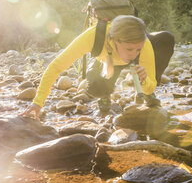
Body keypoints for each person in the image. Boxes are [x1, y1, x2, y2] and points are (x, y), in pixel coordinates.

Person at [22, 15, 175, 119]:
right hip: (106, 61)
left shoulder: (144, 45)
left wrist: (144, 80)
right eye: (130, 49)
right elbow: (56, 66)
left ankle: (143, 95)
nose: (134, 54)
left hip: (129, 61)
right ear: (114, 40)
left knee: (166, 38)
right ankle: (105, 94)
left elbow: (151, 86)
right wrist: (38, 101)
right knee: (95, 90)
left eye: (138, 49)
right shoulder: (92, 36)